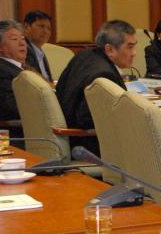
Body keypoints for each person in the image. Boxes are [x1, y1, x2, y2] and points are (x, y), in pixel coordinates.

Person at [55, 20, 137, 155]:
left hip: (67, 136)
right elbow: (89, 120)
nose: (134, 53)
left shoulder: (85, 55)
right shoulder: (103, 77)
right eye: (129, 47)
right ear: (109, 49)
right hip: (89, 145)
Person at [23, 10, 53, 81]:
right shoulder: (22, 50)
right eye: (41, 26)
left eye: (48, 28)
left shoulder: (39, 52)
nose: (46, 31)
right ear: (27, 27)